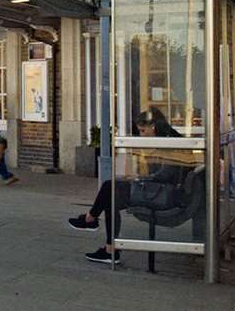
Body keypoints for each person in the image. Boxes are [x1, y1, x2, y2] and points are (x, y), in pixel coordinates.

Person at [69, 109, 188, 264]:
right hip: (158, 189)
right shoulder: (168, 139)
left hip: (161, 195)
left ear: (153, 126)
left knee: (109, 189)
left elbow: (166, 174)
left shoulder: (168, 144)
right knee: (111, 194)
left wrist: (139, 178)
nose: (142, 135)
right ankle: (106, 244)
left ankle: (93, 223)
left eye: (143, 131)